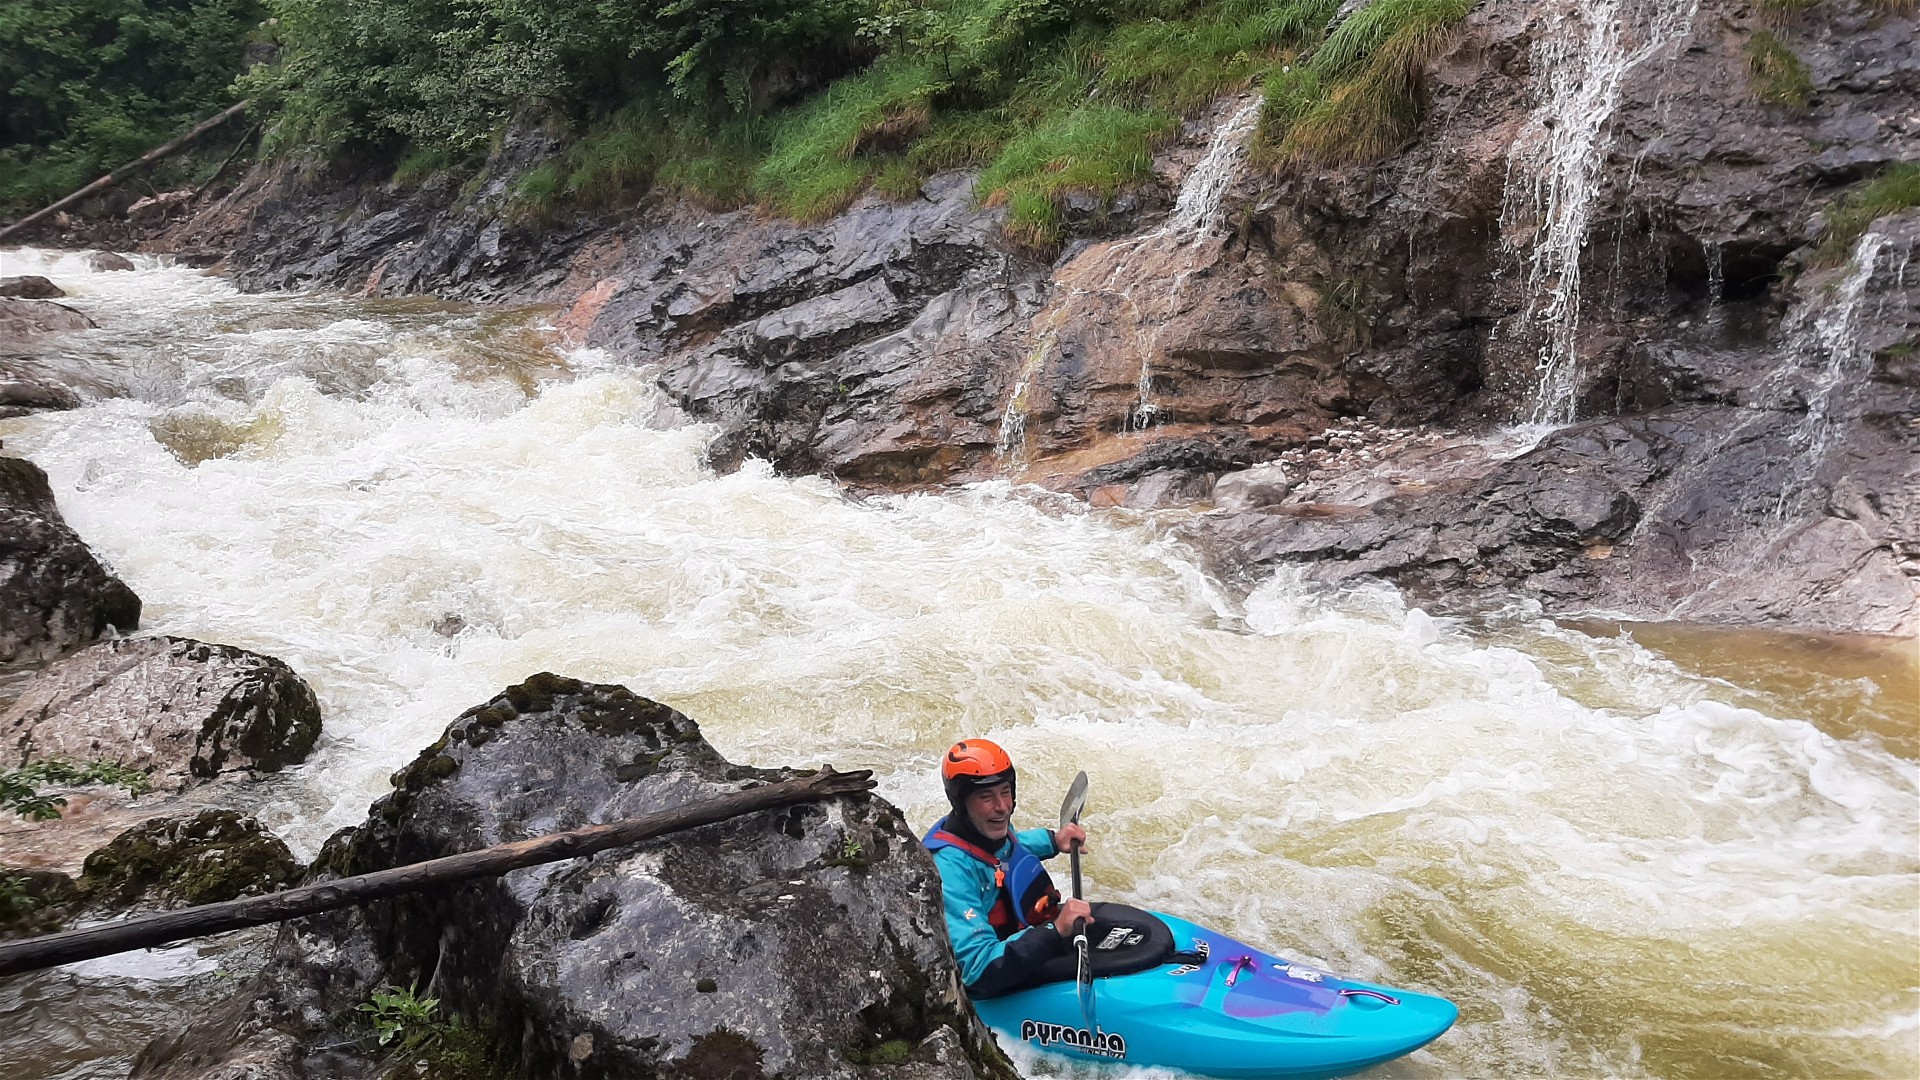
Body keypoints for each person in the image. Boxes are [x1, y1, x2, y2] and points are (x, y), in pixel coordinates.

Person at [922, 738, 1093, 998]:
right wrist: (1054, 931)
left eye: (1005, 792)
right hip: (997, 973)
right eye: (986, 797)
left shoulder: (984, 830)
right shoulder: (948, 870)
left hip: (1025, 933)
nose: (1002, 807)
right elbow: (977, 970)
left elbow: (1009, 849)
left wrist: (1052, 841)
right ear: (961, 803)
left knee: (1133, 927)